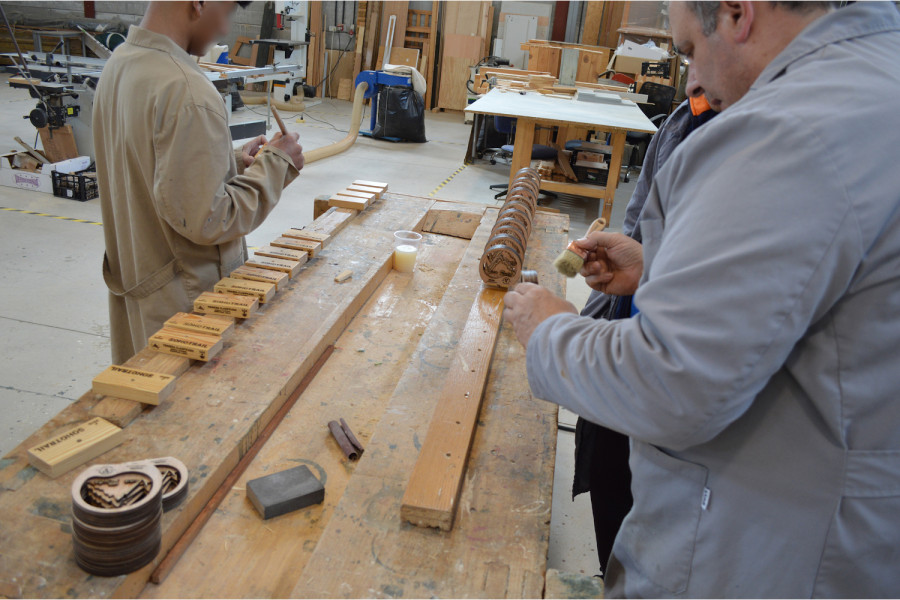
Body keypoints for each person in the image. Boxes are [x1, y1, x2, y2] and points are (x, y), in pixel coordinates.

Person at [505, 2, 900, 596]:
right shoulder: (875, 76)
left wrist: (548, 329)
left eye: (688, 50)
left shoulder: (789, 131)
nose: (694, 82)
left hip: (770, 550)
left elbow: (671, 384)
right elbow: (816, 281)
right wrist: (658, 267)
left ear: (739, 13)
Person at [94, 1, 305, 363]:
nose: (225, 29)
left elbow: (156, 169)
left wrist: (236, 162)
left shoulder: (121, 64)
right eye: (226, 12)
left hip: (141, 294)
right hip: (185, 312)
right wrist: (277, 165)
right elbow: (210, 219)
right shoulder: (185, 88)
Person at [575, 84, 718, 578]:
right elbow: (634, 234)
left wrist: (557, 346)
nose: (692, 80)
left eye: (694, 50)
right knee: (611, 478)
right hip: (632, 367)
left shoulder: (773, 144)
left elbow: (730, 295)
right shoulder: (684, 119)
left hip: (685, 400)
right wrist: (584, 331)